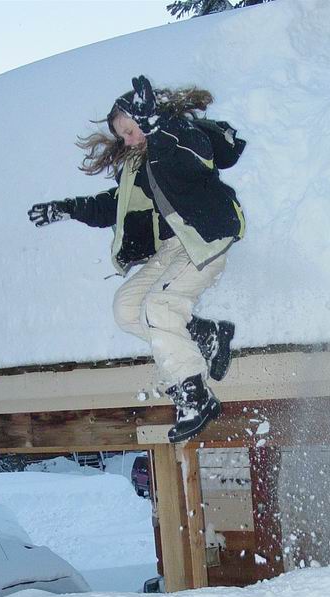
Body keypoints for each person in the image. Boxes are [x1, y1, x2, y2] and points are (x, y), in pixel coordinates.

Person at [28, 75, 245, 443]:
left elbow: (199, 153)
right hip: (174, 247)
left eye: (129, 131)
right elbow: (115, 206)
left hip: (206, 239)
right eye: (123, 136)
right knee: (126, 308)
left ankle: (194, 393)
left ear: (145, 119)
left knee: (160, 306)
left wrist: (159, 126)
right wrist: (67, 209)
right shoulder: (141, 165)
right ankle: (205, 335)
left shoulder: (177, 138)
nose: (127, 141)